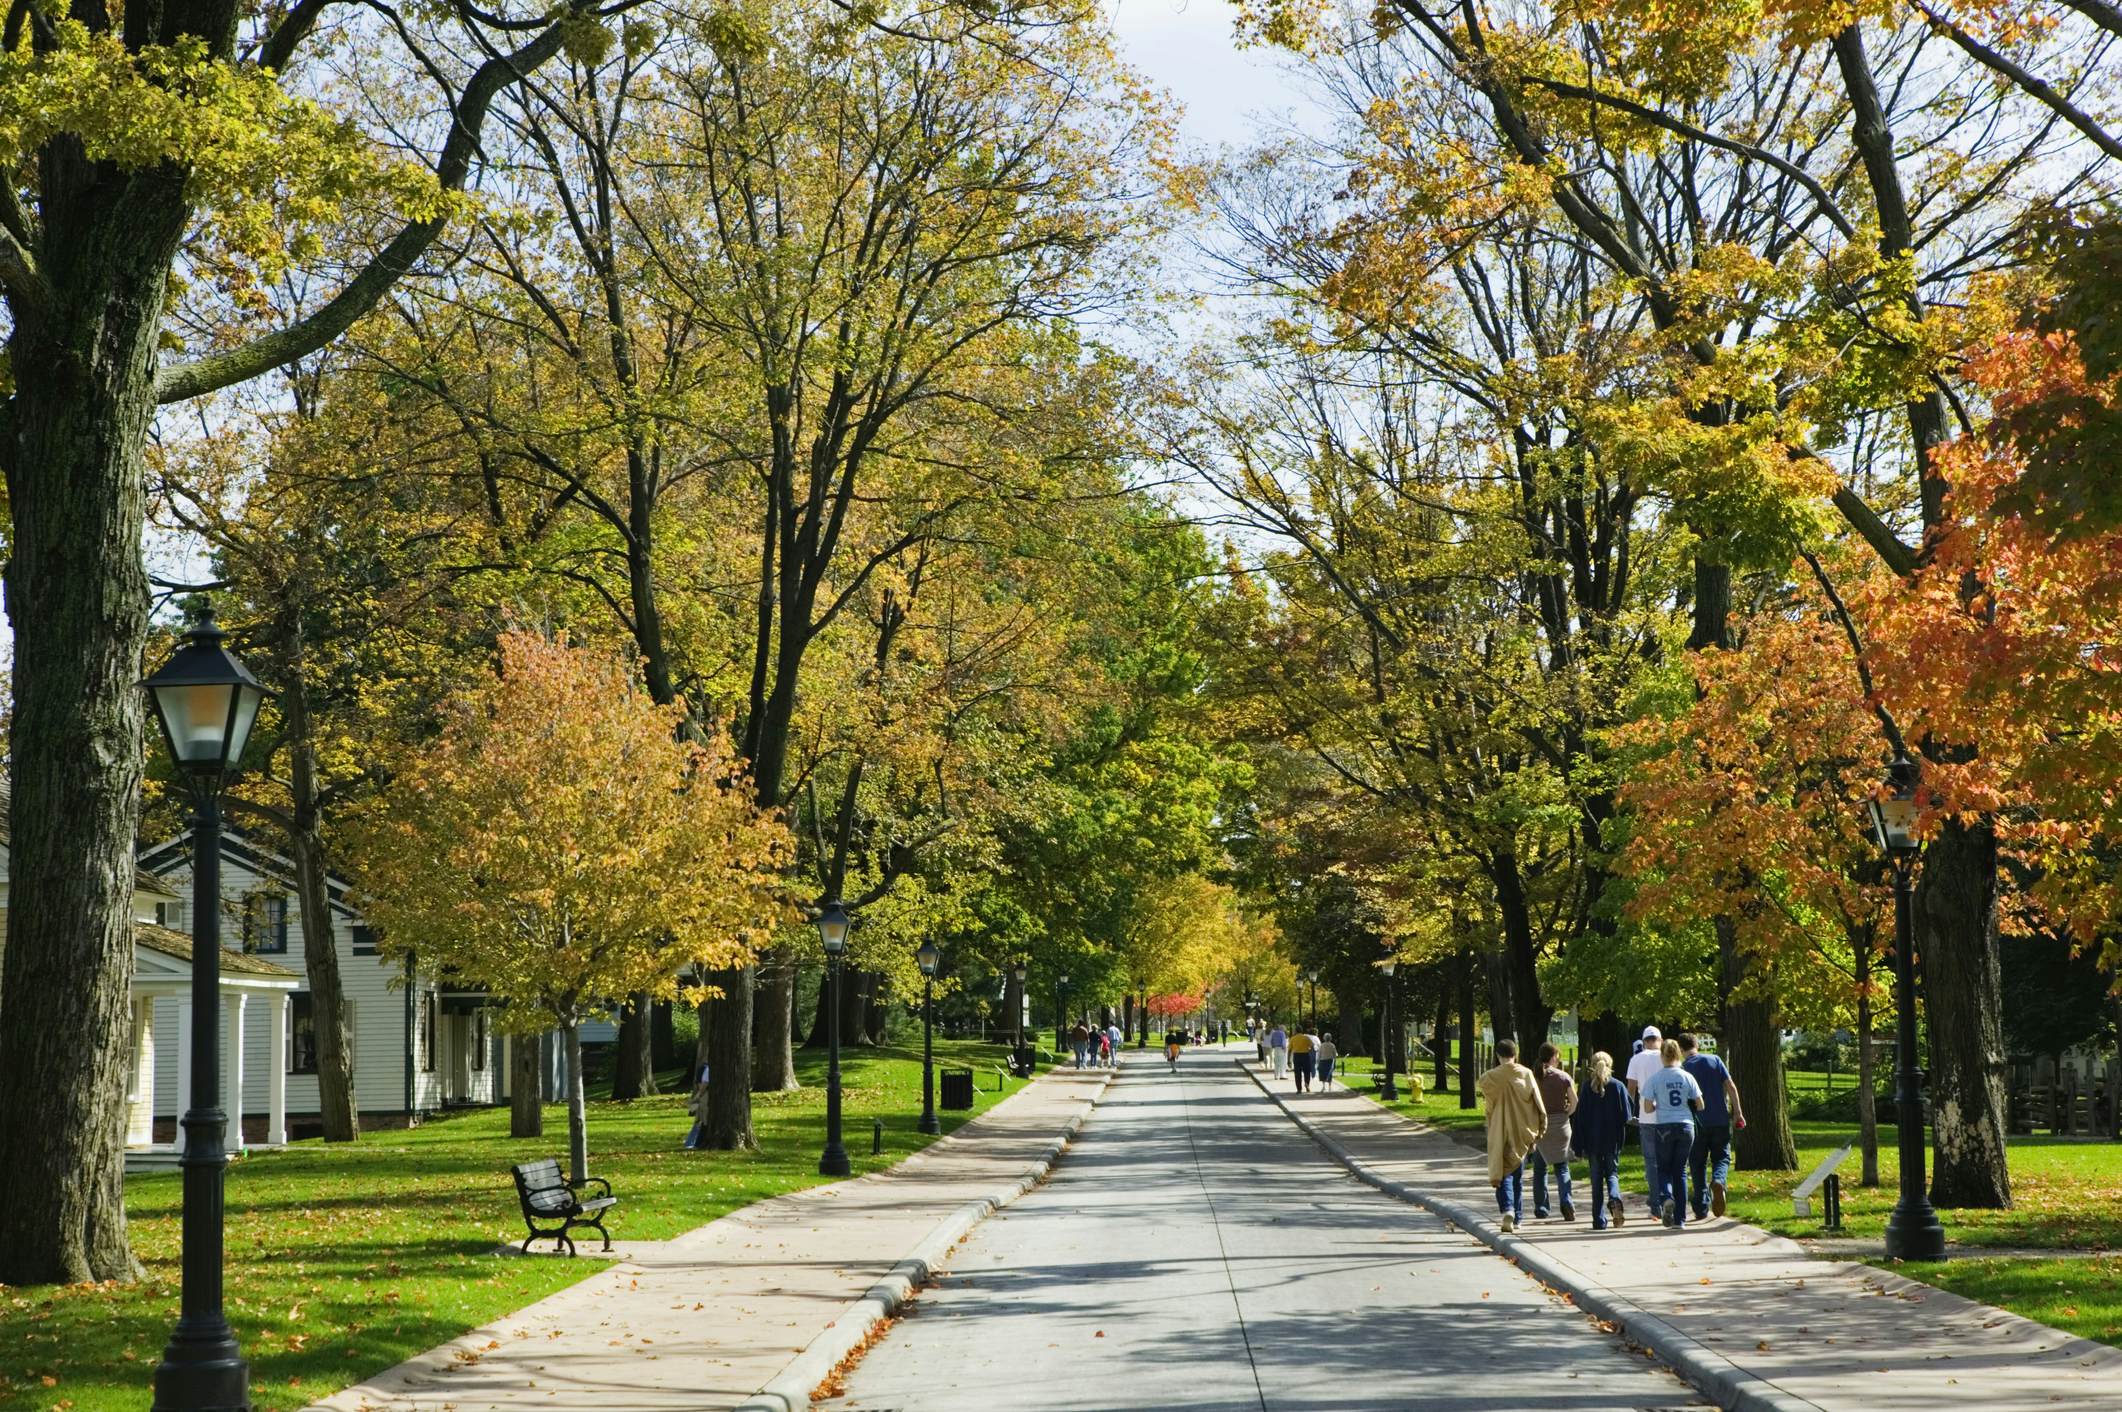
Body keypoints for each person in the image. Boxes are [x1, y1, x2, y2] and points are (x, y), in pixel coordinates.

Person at [1477, 1039, 1546, 1234]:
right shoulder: (1526, 1074)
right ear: (1515, 1054)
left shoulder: (1490, 1077)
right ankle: (1518, 1217)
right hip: (1523, 1130)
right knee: (1518, 1174)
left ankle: (1508, 1209)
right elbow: (1539, 1104)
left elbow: (1486, 1094)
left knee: (1504, 1171)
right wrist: (1540, 1129)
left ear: (1498, 1056)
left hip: (1501, 1129)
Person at [1678, 1033, 1746, 1219]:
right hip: (1719, 1119)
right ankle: (1718, 1180)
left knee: (1697, 1163)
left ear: (1681, 1049)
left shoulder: (1683, 1068)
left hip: (1696, 1122)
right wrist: (1737, 1112)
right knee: (1722, 1157)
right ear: (1697, 1044)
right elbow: (1731, 1086)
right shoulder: (1715, 1060)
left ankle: (1700, 1207)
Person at [1640, 1037, 1705, 1227]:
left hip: (1664, 1127)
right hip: (1686, 1126)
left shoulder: (1655, 1078)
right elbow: (1701, 1105)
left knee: (1664, 1168)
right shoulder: (1687, 1077)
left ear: (1662, 1056)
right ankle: (1680, 1219)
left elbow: (1648, 1108)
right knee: (1680, 1171)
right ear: (1678, 1054)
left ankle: (1667, 1196)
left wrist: (1658, 1104)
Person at [1571, 1051, 1632, 1229]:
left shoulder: (1586, 1088)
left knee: (1596, 1180)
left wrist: (1578, 1144)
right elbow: (1626, 1115)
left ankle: (1598, 1220)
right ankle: (1614, 1198)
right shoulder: (1618, 1086)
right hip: (1612, 1141)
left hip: (1592, 1142)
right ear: (1610, 1065)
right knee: (1612, 1174)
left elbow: (1580, 1118)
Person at [1530, 1042, 1577, 1221]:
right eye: (1557, 1056)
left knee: (1540, 1169)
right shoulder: (1563, 1077)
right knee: (1562, 1167)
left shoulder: (1533, 1077)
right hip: (1560, 1126)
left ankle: (1541, 1207)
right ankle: (1566, 1200)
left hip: (1541, 1126)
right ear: (1552, 1057)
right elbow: (1574, 1101)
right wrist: (1567, 1113)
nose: (1558, 1059)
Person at [1625, 1025, 1667, 1213]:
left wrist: (1629, 1111)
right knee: (1667, 1158)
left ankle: (1656, 1202)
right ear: (1660, 1040)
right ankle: (1668, 1196)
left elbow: (1631, 1089)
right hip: (1667, 1115)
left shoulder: (1636, 1059)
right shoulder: (1665, 1056)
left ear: (1644, 1042)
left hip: (1646, 1115)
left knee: (1651, 1160)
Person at [682, 1063, 712, 1149]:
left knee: (700, 1120)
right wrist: (697, 1097)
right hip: (705, 1096)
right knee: (703, 1121)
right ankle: (695, 1143)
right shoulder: (707, 1069)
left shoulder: (705, 1068)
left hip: (703, 1096)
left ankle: (691, 1142)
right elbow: (704, 1084)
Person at [1289, 1024, 1317, 1092]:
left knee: (1297, 1073)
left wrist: (1288, 1060)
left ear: (1296, 1031)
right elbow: (1312, 1046)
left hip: (1297, 1056)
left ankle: (1299, 1089)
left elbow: (1289, 1050)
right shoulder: (1306, 1038)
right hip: (1305, 1055)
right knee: (1307, 1071)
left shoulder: (1293, 1038)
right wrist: (1309, 1050)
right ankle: (1307, 1083)